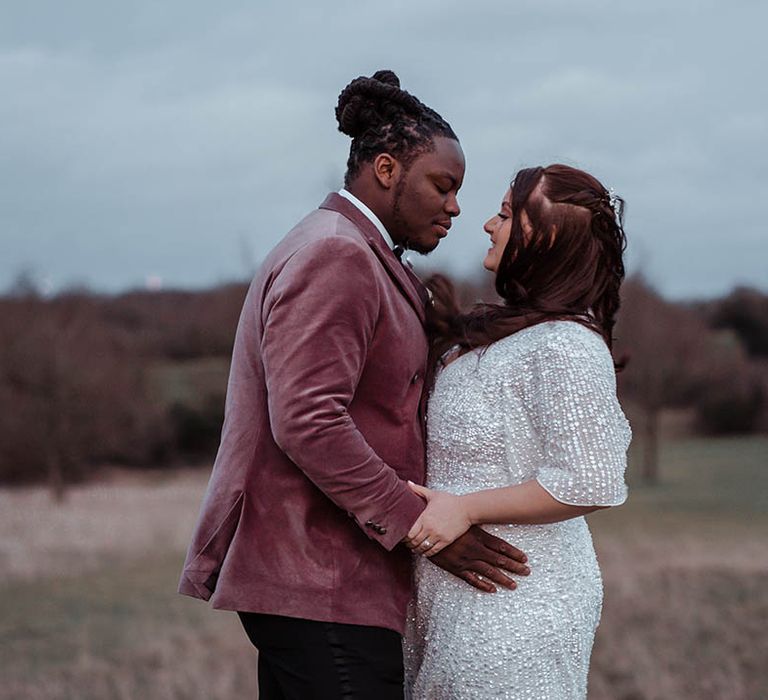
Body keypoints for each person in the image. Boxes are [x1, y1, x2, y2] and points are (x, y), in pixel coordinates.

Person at [177, 70, 529, 700]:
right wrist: (418, 524)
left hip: (326, 584)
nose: (455, 208)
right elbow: (309, 421)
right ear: (387, 170)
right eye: (443, 186)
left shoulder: (354, 249)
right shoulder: (336, 253)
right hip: (319, 579)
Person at [402, 164, 632, 699]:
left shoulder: (567, 346)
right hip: (450, 601)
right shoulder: (507, 333)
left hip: (518, 605)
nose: (486, 224)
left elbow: (591, 480)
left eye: (506, 214)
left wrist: (467, 509)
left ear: (545, 238)